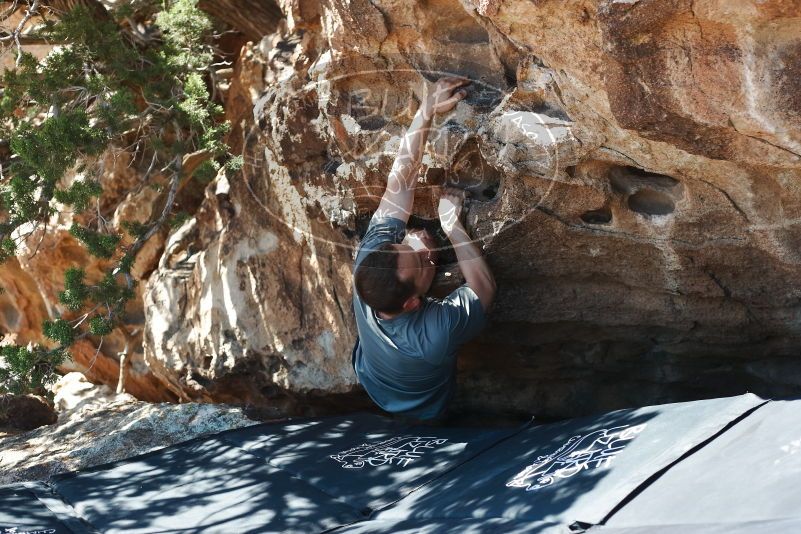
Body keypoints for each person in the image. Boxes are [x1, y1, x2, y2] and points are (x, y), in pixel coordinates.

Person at [351, 76, 497, 423]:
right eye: (421, 260)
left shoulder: (370, 262)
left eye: (405, 245)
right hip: (425, 409)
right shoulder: (431, 336)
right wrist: (451, 225)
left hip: (371, 377)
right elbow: (484, 289)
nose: (419, 243)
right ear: (413, 303)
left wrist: (426, 111)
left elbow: (400, 182)